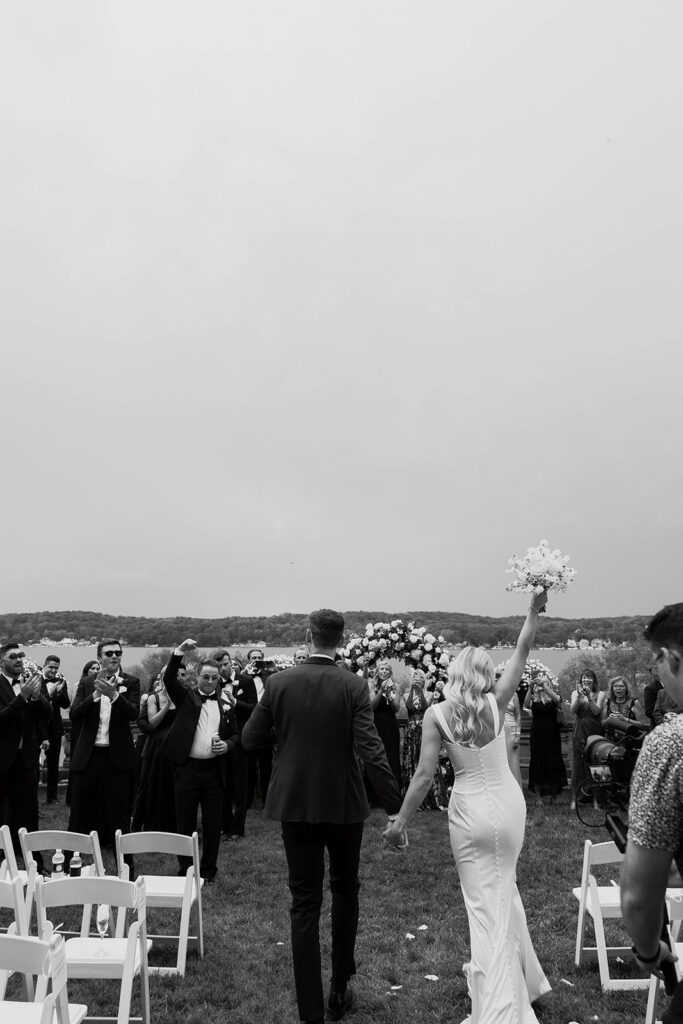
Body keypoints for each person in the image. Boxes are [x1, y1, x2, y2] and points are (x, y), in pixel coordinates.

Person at [384, 592, 551, 1024]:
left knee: (484, 909)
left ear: (455, 674)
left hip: (470, 811)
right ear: (484, 674)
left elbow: (423, 777)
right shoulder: (498, 702)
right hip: (509, 806)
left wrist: (400, 824)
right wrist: (534, 609)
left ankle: (498, 1009)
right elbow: (523, 649)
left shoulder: (437, 714)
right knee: (505, 892)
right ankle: (525, 982)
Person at [241, 609, 403, 1024]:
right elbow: (371, 749)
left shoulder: (278, 683)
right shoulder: (353, 685)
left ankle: (312, 1011)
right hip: (344, 803)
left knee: (305, 900)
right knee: (346, 888)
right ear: (340, 639)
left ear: (307, 636)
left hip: (295, 801)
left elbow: (250, 738)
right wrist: (394, 806)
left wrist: (287, 734)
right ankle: (338, 987)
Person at [621, 603, 683, 1024]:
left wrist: (648, 949)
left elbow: (639, 892)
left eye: (656, 661)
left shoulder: (671, 745)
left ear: (671, 658)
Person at [161, 642, 237, 882]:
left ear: (218, 679)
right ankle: (185, 869)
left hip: (215, 771)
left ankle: (209, 870)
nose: (210, 681)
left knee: (213, 824)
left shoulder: (225, 704)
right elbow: (170, 678)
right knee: (185, 820)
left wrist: (228, 745)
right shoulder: (185, 697)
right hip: (188, 769)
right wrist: (180, 651)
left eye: (215, 678)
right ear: (198, 677)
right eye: (206, 676)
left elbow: (236, 734)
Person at [68, 640, 141, 859]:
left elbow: (134, 713)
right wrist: (95, 697)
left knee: (118, 814)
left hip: (116, 758)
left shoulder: (132, 682)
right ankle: (72, 862)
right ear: (99, 657)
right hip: (88, 757)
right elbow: (74, 714)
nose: (114, 656)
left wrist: (115, 696)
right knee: (79, 814)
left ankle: (125, 865)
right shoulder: (87, 682)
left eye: (118, 653)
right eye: (109, 653)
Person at [0, 643, 51, 874]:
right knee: (2, 814)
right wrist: (22, 697)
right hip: (2, 760)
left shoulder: (30, 682)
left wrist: (37, 696)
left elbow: (47, 715)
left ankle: (37, 865)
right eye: (13, 657)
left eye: (21, 655)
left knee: (29, 813)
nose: (19, 660)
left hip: (27, 760)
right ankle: (3, 863)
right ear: (2, 662)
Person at [220, 651, 257, 840]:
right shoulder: (214, 683)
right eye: (220, 665)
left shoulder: (245, 681)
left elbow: (254, 708)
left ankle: (237, 828)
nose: (224, 668)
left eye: (226, 664)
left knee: (240, 783)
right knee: (223, 784)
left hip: (241, 738)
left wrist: (236, 702)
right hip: (221, 740)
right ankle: (225, 826)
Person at [524, 669, 567, 807]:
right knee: (538, 763)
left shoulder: (554, 698)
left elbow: (558, 700)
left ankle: (554, 796)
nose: (542, 684)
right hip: (537, 736)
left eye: (545, 682)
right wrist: (530, 688)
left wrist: (545, 688)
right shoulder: (533, 699)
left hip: (552, 735)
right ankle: (538, 797)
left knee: (554, 763)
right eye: (540, 682)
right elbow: (525, 705)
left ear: (549, 684)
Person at [401, 668, 438, 808]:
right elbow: (410, 706)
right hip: (411, 732)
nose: (417, 678)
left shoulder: (429, 694)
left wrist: (420, 691)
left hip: (425, 731)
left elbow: (425, 706)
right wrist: (413, 690)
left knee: (425, 761)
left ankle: (430, 796)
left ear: (424, 680)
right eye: (415, 676)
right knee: (412, 761)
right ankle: (411, 798)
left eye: (420, 676)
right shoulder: (406, 695)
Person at [366, 658, 402, 800]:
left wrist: (390, 694)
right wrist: (381, 691)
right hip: (375, 725)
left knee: (391, 757)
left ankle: (392, 794)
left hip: (390, 725)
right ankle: (374, 796)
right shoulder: (372, 686)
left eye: (387, 669)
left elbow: (396, 708)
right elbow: (371, 706)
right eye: (382, 669)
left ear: (390, 672)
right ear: (377, 671)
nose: (384, 671)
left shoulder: (396, 686)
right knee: (376, 757)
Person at [569, 669, 605, 811]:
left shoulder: (600, 694)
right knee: (578, 766)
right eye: (584, 678)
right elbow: (572, 711)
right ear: (581, 680)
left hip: (595, 731)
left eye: (589, 678)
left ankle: (597, 799)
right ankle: (575, 799)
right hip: (580, 731)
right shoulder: (575, 693)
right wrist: (578, 697)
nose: (586, 680)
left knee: (596, 765)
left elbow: (597, 711)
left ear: (594, 681)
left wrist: (589, 696)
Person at [40, 655, 71, 804]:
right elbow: (36, 703)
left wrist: (59, 692)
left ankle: (51, 797)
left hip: (55, 728)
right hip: (37, 727)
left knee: (53, 764)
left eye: (56, 668)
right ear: (44, 666)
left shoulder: (61, 682)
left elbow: (66, 704)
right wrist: (50, 693)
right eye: (51, 667)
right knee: (32, 763)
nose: (53, 670)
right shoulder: (36, 680)